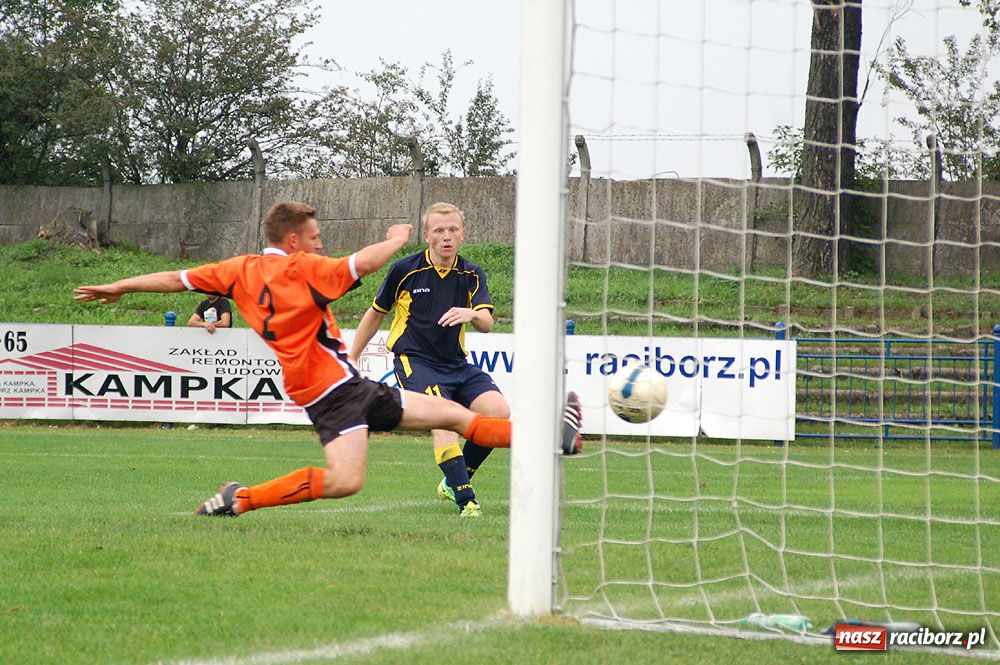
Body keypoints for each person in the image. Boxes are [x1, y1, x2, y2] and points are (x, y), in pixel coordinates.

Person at [74, 200, 582, 519]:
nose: (319, 242)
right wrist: (396, 240)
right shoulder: (306, 270)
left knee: (454, 418)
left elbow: (175, 278)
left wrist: (119, 285)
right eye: (313, 236)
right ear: (293, 241)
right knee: (349, 480)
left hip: (332, 390)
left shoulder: (236, 271)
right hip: (338, 393)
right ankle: (243, 498)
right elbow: (358, 265)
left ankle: (554, 438)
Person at [349, 202, 511, 514]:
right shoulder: (405, 270)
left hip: (456, 364)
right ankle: (467, 502)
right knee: (443, 420)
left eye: (453, 230)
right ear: (427, 235)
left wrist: (471, 314)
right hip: (415, 361)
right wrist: (353, 356)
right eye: (439, 230)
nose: (446, 236)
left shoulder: (472, 273)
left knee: (499, 413)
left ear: (463, 235)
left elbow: (487, 323)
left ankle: (453, 482)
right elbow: (376, 313)